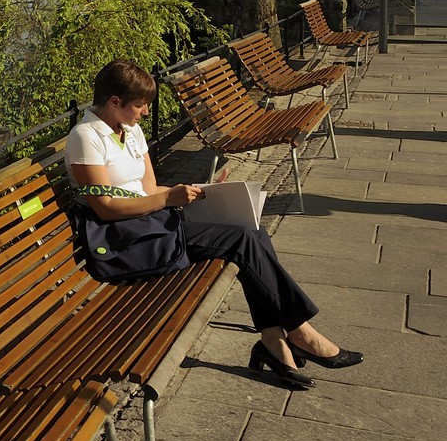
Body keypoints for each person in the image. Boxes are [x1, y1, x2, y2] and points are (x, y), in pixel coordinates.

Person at [67, 59, 362, 389]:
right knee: (243, 241)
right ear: (115, 102)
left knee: (251, 228)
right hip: (126, 240)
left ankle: (274, 340)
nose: (145, 114)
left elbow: (149, 189)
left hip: (153, 224)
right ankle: (298, 332)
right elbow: (106, 208)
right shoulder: (86, 136)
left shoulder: (131, 131)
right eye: (140, 105)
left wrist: (200, 193)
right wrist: (168, 199)